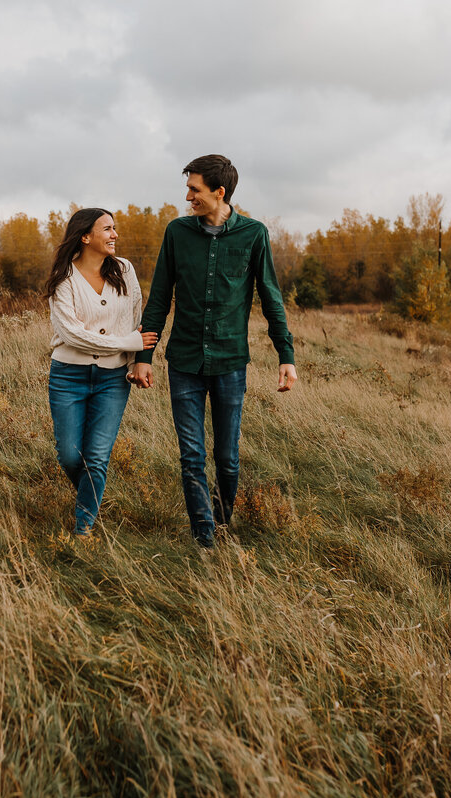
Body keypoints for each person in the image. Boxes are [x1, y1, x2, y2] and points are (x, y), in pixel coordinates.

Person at [129, 155, 297, 548]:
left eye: (194, 190)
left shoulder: (254, 235)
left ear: (219, 193)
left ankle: (221, 522)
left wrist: (285, 355)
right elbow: (158, 300)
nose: (188, 197)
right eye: (188, 189)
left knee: (227, 458)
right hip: (184, 362)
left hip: (229, 363)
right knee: (191, 457)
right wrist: (143, 355)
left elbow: (270, 298)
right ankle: (204, 537)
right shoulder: (177, 233)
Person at [46, 208, 159, 537]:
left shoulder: (125, 270)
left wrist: (138, 358)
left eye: (115, 229)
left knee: (96, 456)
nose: (115, 235)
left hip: (112, 380)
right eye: (107, 229)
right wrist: (129, 343)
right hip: (68, 376)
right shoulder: (64, 279)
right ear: (85, 237)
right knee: (69, 456)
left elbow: (136, 314)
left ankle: (83, 529)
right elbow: (72, 334)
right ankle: (88, 495)